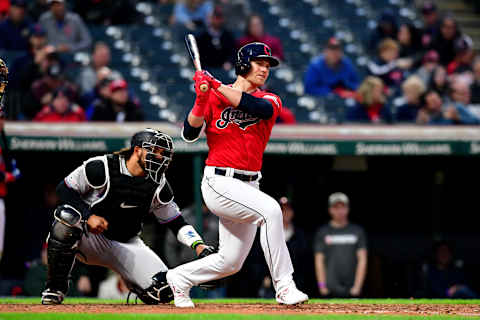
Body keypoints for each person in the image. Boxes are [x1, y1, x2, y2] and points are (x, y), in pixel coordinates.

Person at [160, 42, 308, 307]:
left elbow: (257, 109)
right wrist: (201, 98)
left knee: (230, 262)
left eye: (267, 65)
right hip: (219, 181)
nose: (264, 69)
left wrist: (215, 85)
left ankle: (179, 278)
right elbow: (189, 134)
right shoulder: (214, 97)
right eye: (259, 63)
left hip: (250, 185)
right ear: (242, 65)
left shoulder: (269, 99)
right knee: (271, 211)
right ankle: (285, 287)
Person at [41, 129, 215, 305]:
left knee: (164, 290)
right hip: (90, 238)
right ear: (137, 150)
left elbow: (176, 222)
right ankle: (55, 288)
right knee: (66, 219)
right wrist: (89, 216)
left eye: (163, 154)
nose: (160, 158)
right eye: (154, 151)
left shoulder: (158, 184)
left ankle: (138, 290)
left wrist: (199, 246)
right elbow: (64, 189)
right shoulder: (102, 167)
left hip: (126, 244)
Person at [314, 192, 367, 298]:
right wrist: (322, 286)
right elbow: (319, 260)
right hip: (329, 288)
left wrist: (358, 286)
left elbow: (362, 259)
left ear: (348, 208)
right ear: (330, 210)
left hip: (352, 288)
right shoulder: (323, 232)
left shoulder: (357, 231)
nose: (340, 211)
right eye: (336, 207)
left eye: (343, 207)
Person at [0, 117, 21, 262]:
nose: (1, 122)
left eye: (2, 119)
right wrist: (3, 176)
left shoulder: (3, 140)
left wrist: (11, 174)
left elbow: (13, 168)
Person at [196, 6, 236, 70]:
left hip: (225, 69)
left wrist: (229, 62)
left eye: (220, 18)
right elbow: (198, 55)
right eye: (215, 18)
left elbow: (233, 52)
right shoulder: (202, 36)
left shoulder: (228, 35)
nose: (217, 21)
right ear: (210, 18)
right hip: (207, 70)